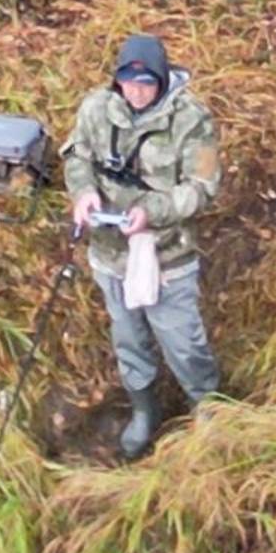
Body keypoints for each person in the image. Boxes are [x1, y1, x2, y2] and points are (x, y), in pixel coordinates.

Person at [64, 30, 224, 458]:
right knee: (129, 340)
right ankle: (144, 411)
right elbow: (76, 155)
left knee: (183, 342)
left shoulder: (193, 120)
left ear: (162, 79)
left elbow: (203, 186)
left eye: (146, 82)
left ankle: (207, 409)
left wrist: (153, 212)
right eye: (129, 82)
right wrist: (84, 194)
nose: (136, 91)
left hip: (168, 256)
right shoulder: (96, 109)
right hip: (110, 254)